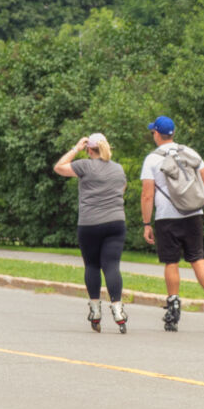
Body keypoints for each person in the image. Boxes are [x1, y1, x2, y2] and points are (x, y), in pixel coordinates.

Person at [138, 115, 204, 331]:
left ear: (157, 134)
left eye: (153, 132)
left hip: (166, 217)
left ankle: (174, 305)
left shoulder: (152, 159)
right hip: (192, 213)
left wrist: (146, 223)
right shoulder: (190, 153)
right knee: (197, 257)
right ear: (173, 133)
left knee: (171, 262)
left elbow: (147, 195)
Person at [54, 133, 128, 332]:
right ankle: (118, 309)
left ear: (89, 149)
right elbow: (122, 189)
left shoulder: (84, 166)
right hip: (116, 222)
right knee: (112, 265)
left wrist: (75, 148)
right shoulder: (118, 168)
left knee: (92, 265)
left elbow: (59, 167)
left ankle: (95, 310)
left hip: (89, 224)